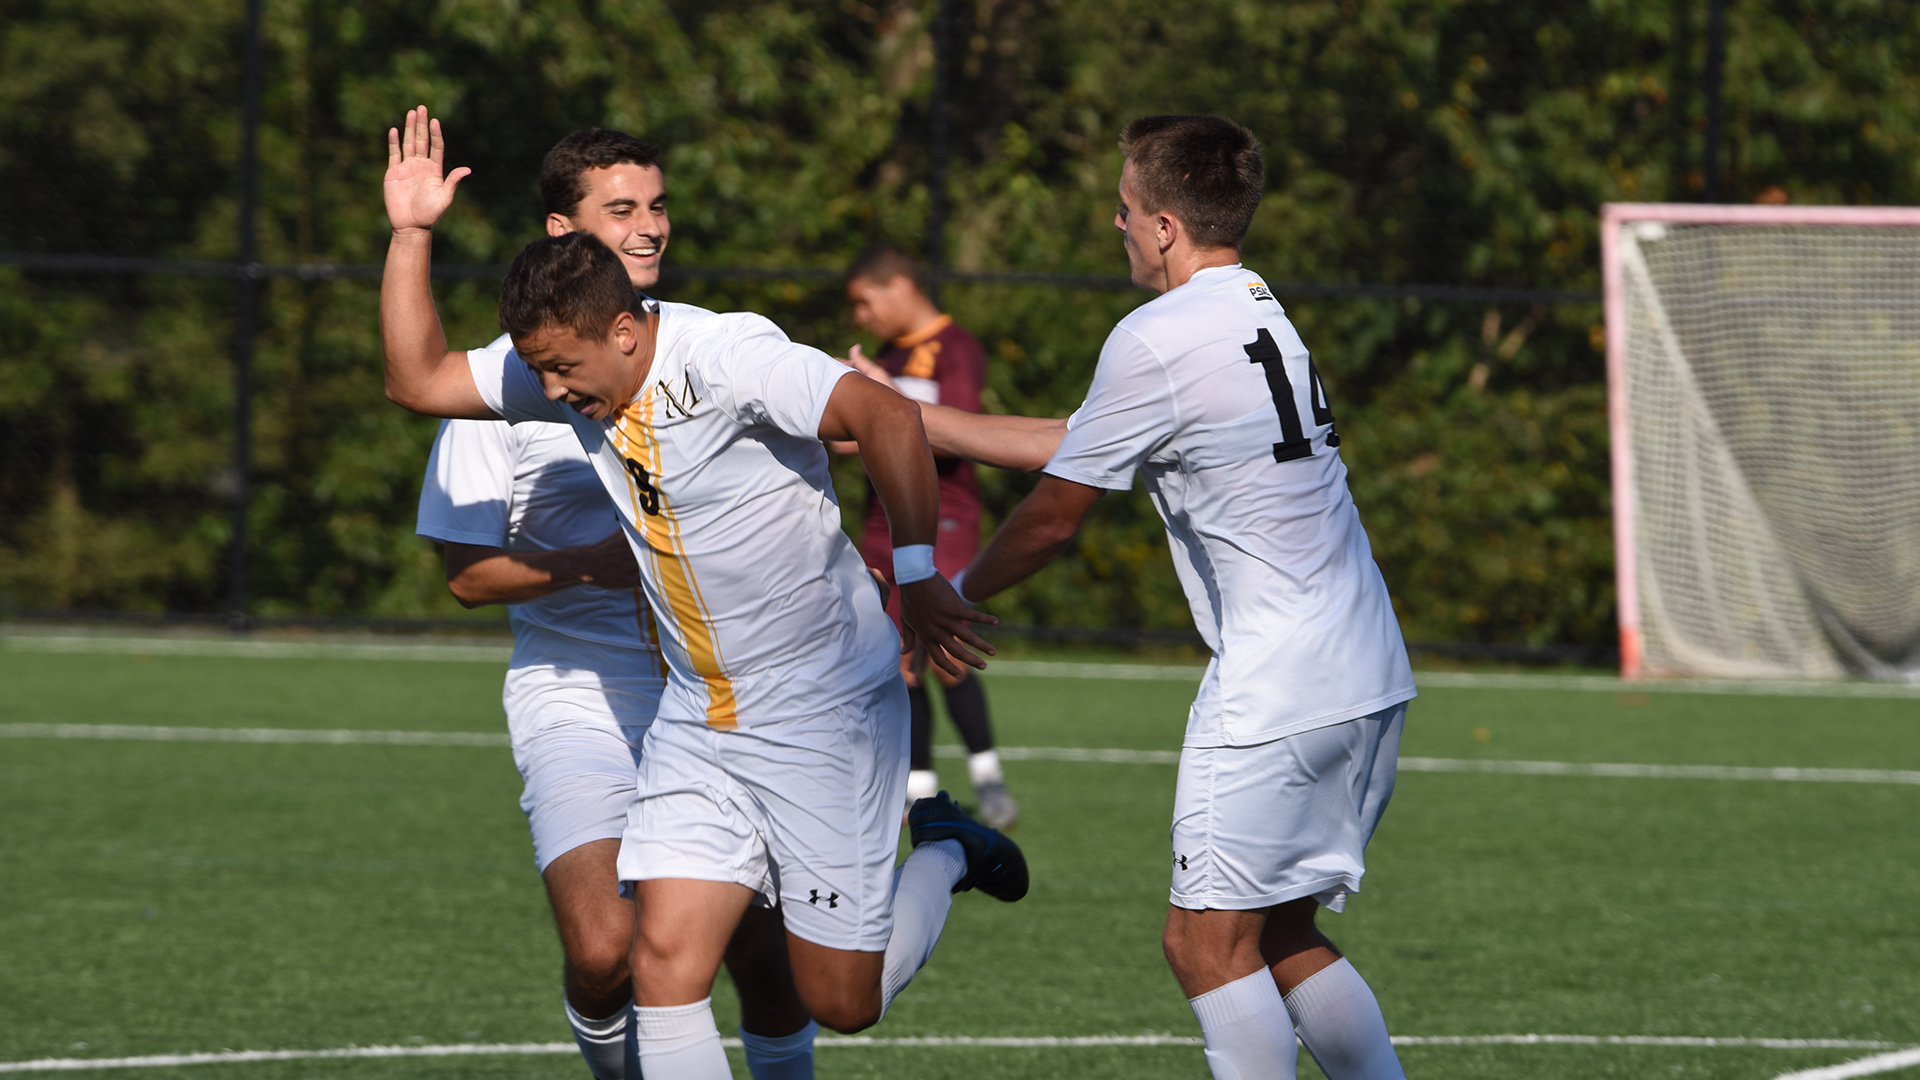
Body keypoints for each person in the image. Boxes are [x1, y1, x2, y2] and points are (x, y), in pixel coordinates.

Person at [379, 106, 1028, 1080]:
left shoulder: (723, 353)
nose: (549, 394)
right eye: (621, 207)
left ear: (627, 335)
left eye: (657, 205)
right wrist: (411, 232)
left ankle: (945, 848)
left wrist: (925, 577)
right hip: (699, 710)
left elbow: (887, 416)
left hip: (823, 709)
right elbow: (420, 380)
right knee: (663, 963)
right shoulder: (570, 357)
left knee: (836, 1001)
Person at [887, 115, 1418, 1080]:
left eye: (1126, 209)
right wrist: (917, 423)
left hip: (1277, 684)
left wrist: (950, 594)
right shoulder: (1257, 308)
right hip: (1368, 666)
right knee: (1282, 932)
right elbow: (1092, 436)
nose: (1117, 225)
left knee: (1204, 946)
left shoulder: (1158, 335)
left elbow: (1054, 517)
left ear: (1165, 224)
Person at [411, 126, 819, 1080]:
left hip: (714, 692)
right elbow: (469, 575)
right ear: (563, 227)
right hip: (579, 692)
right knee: (603, 954)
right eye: (621, 210)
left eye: (658, 206)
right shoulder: (511, 378)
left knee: (765, 951)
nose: (649, 229)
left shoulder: (700, 344)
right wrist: (595, 563)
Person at [839, 245, 1017, 829]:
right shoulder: (888, 355)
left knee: (939, 651)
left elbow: (952, 434)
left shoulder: (955, 347)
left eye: (865, 302)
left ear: (898, 287)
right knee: (892, 654)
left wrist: (889, 401)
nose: (861, 318)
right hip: (880, 521)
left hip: (942, 515)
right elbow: (857, 434)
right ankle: (919, 790)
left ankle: (989, 781)